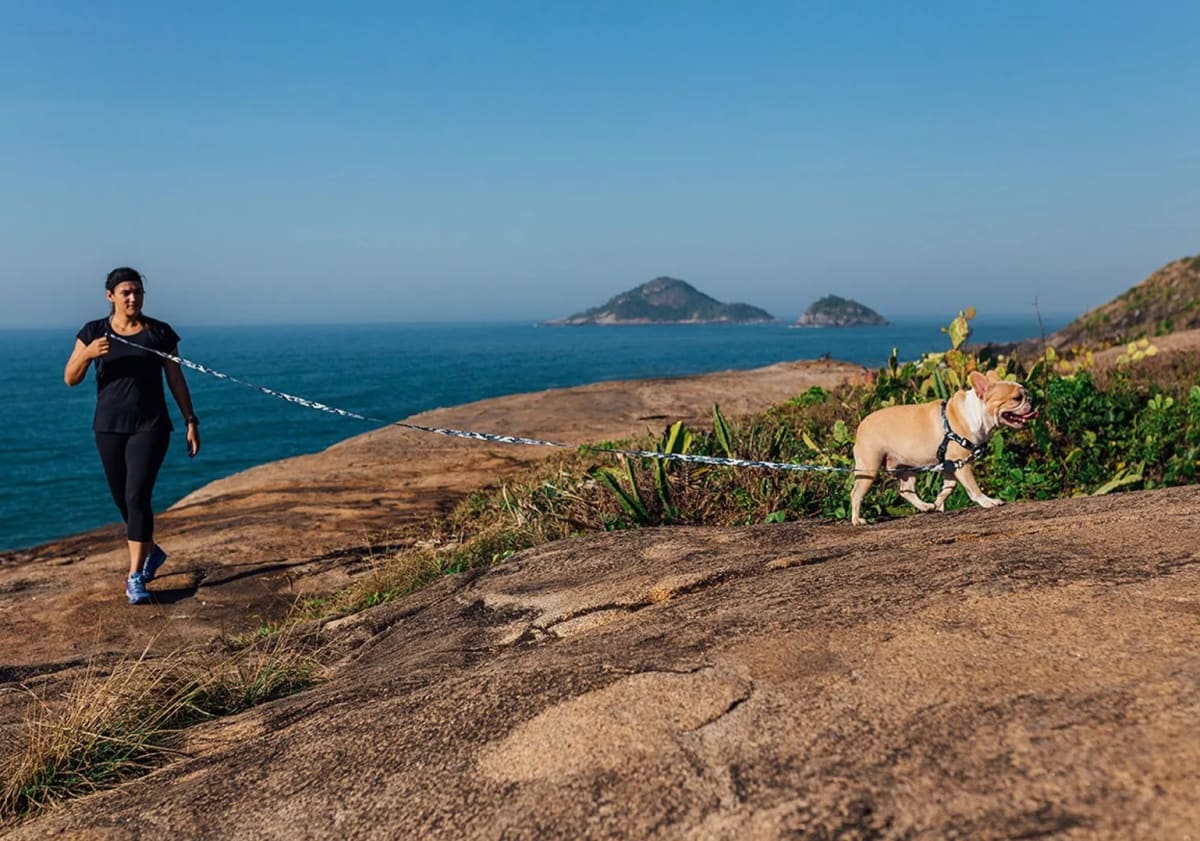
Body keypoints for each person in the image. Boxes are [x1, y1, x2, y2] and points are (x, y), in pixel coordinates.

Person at [64, 267, 201, 605]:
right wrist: (86, 353)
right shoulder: (93, 331)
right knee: (122, 499)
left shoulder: (160, 333)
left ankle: (135, 576)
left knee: (138, 496)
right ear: (110, 296)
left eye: (137, 291)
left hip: (151, 426)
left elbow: (176, 380)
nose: (132, 297)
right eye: (125, 292)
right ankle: (152, 552)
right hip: (108, 427)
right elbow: (70, 378)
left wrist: (190, 420)